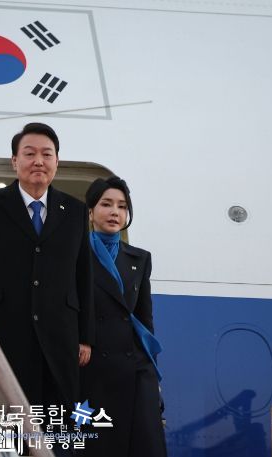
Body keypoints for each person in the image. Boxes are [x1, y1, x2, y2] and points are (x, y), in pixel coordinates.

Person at [0, 122, 94, 416]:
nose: (38, 161)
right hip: (1, 335)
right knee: (6, 428)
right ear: (14, 161)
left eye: (47, 154)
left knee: (56, 427)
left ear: (57, 161)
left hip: (60, 339)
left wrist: (85, 336)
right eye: (30, 153)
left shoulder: (75, 211)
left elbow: (83, 277)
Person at [80, 176, 167, 457]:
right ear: (91, 211)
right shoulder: (74, 255)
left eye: (122, 206)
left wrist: (154, 374)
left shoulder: (139, 259)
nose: (115, 212)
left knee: (144, 445)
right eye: (106, 204)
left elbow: (145, 320)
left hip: (136, 367)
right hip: (92, 367)